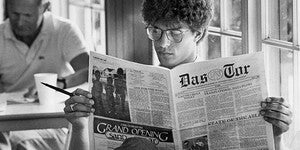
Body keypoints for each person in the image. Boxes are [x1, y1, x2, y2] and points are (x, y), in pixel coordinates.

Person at [64, 0, 292, 150]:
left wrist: (276, 135)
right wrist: (79, 126)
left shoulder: (234, 85)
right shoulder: (135, 79)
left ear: (199, 35)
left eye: (175, 33)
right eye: (156, 31)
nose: (163, 43)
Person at [0, 0, 89, 149]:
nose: (20, 22)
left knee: (23, 145)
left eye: (28, 15)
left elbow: (88, 71)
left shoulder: (64, 30)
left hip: (58, 121)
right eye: (15, 14)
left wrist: (60, 83)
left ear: (45, 8)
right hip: (9, 119)